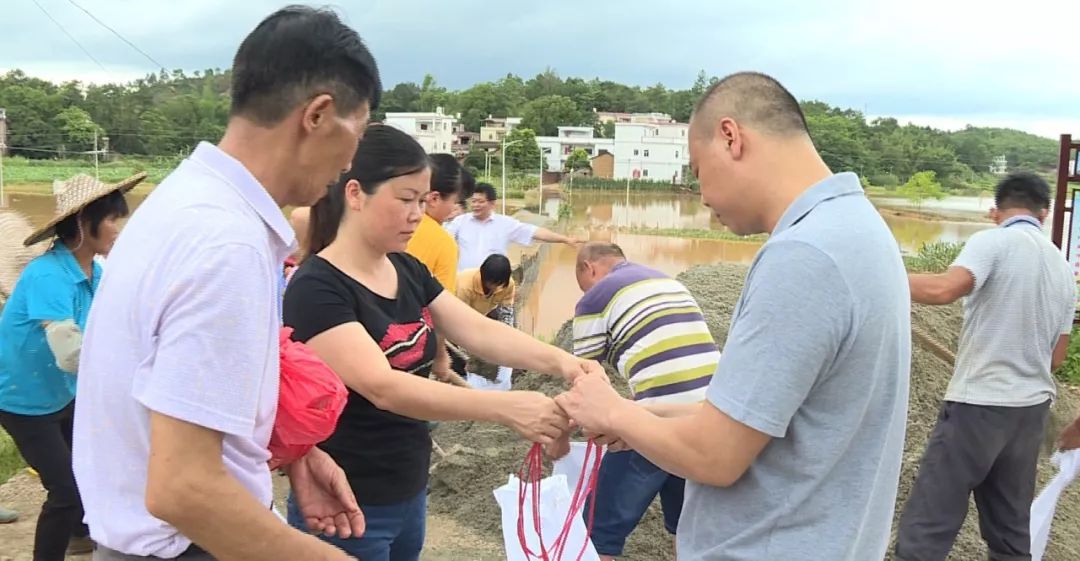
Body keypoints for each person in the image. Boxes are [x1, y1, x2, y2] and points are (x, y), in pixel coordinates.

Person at [555, 72, 911, 561]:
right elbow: (758, 418)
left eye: (698, 170)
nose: (701, 195)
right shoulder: (859, 228)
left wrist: (613, 409)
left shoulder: (803, 255)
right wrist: (638, 417)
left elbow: (715, 456)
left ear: (731, 137)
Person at [72, 7, 380, 560]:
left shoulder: (182, 203)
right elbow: (184, 489)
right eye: (358, 131)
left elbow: (158, 392)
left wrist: (286, 453)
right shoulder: (227, 243)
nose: (352, 159)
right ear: (318, 114)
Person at [282, 124, 604, 561]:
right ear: (355, 194)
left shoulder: (407, 269)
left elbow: (476, 329)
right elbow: (384, 388)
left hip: (409, 489)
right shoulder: (318, 287)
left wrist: (565, 363)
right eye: (405, 199)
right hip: (346, 503)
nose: (418, 214)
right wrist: (507, 407)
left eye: (422, 200)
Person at [895, 172, 1076, 561]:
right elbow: (1056, 358)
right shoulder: (1062, 268)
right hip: (1029, 414)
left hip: (979, 406)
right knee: (1010, 534)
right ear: (1043, 213)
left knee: (929, 525)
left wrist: (884, 273)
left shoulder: (992, 241)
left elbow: (945, 289)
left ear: (997, 211)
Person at [0, 172, 141, 560]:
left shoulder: (93, 271)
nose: (117, 228)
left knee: (91, 466)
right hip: (22, 399)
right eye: (112, 219)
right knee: (65, 489)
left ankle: (80, 534)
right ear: (83, 223)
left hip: (63, 391)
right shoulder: (48, 274)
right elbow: (71, 354)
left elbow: (108, 330)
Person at [570, 242, 719, 560]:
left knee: (598, 531)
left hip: (658, 414)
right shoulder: (667, 281)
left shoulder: (593, 298)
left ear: (589, 268)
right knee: (686, 527)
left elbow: (586, 377)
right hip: (707, 417)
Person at [405, 153, 474, 382]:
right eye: (453, 202)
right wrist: (440, 355)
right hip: (409, 346)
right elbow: (438, 313)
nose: (454, 210)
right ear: (434, 198)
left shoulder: (392, 224)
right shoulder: (443, 242)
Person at [446, 182, 581, 271]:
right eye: (473, 201)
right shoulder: (460, 221)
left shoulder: (505, 224)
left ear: (492, 204)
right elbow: (443, 238)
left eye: (480, 201)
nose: (475, 205)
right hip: (464, 284)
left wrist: (564, 239)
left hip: (495, 288)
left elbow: (535, 232)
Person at [455, 254, 517, 389]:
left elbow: (507, 312)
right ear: (484, 277)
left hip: (484, 312)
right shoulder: (465, 285)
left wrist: (506, 337)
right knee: (458, 360)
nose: (497, 289)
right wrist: (470, 349)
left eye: (500, 285)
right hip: (456, 314)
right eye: (493, 284)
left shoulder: (508, 285)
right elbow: (459, 320)